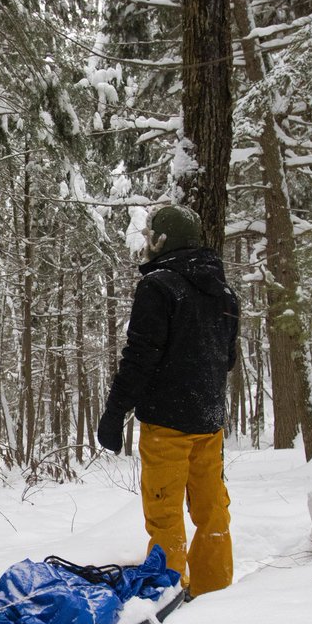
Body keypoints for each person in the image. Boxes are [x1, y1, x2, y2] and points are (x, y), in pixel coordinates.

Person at [97, 204, 240, 598]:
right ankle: (215, 589)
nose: (147, 245)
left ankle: (167, 593)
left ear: (162, 240)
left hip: (167, 424)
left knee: (165, 513)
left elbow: (140, 356)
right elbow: (227, 358)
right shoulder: (224, 292)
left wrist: (114, 412)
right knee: (212, 508)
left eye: (150, 237)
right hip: (209, 421)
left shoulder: (158, 285)